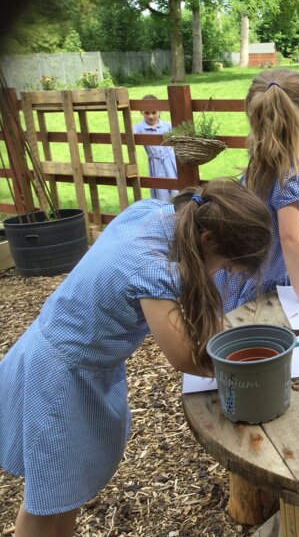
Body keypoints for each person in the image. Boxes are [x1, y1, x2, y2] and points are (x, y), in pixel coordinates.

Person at [0, 178, 272, 537]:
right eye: (225, 267)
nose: (220, 275)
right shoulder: (150, 270)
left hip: (66, 360)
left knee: (65, 492)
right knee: (43, 502)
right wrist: (256, 370)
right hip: (58, 380)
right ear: (207, 240)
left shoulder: (154, 213)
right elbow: (185, 358)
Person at [215, 69, 299, 311]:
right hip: (261, 284)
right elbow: (289, 237)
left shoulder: (260, 164)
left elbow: (286, 213)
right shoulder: (292, 173)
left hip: (238, 276)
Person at [133, 94, 179, 201]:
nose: (151, 116)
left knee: (176, 191)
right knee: (160, 192)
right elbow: (127, 136)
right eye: (147, 113)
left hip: (170, 161)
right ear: (140, 112)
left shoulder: (168, 126)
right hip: (155, 163)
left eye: (154, 112)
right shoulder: (138, 128)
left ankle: (178, 208)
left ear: (160, 111)